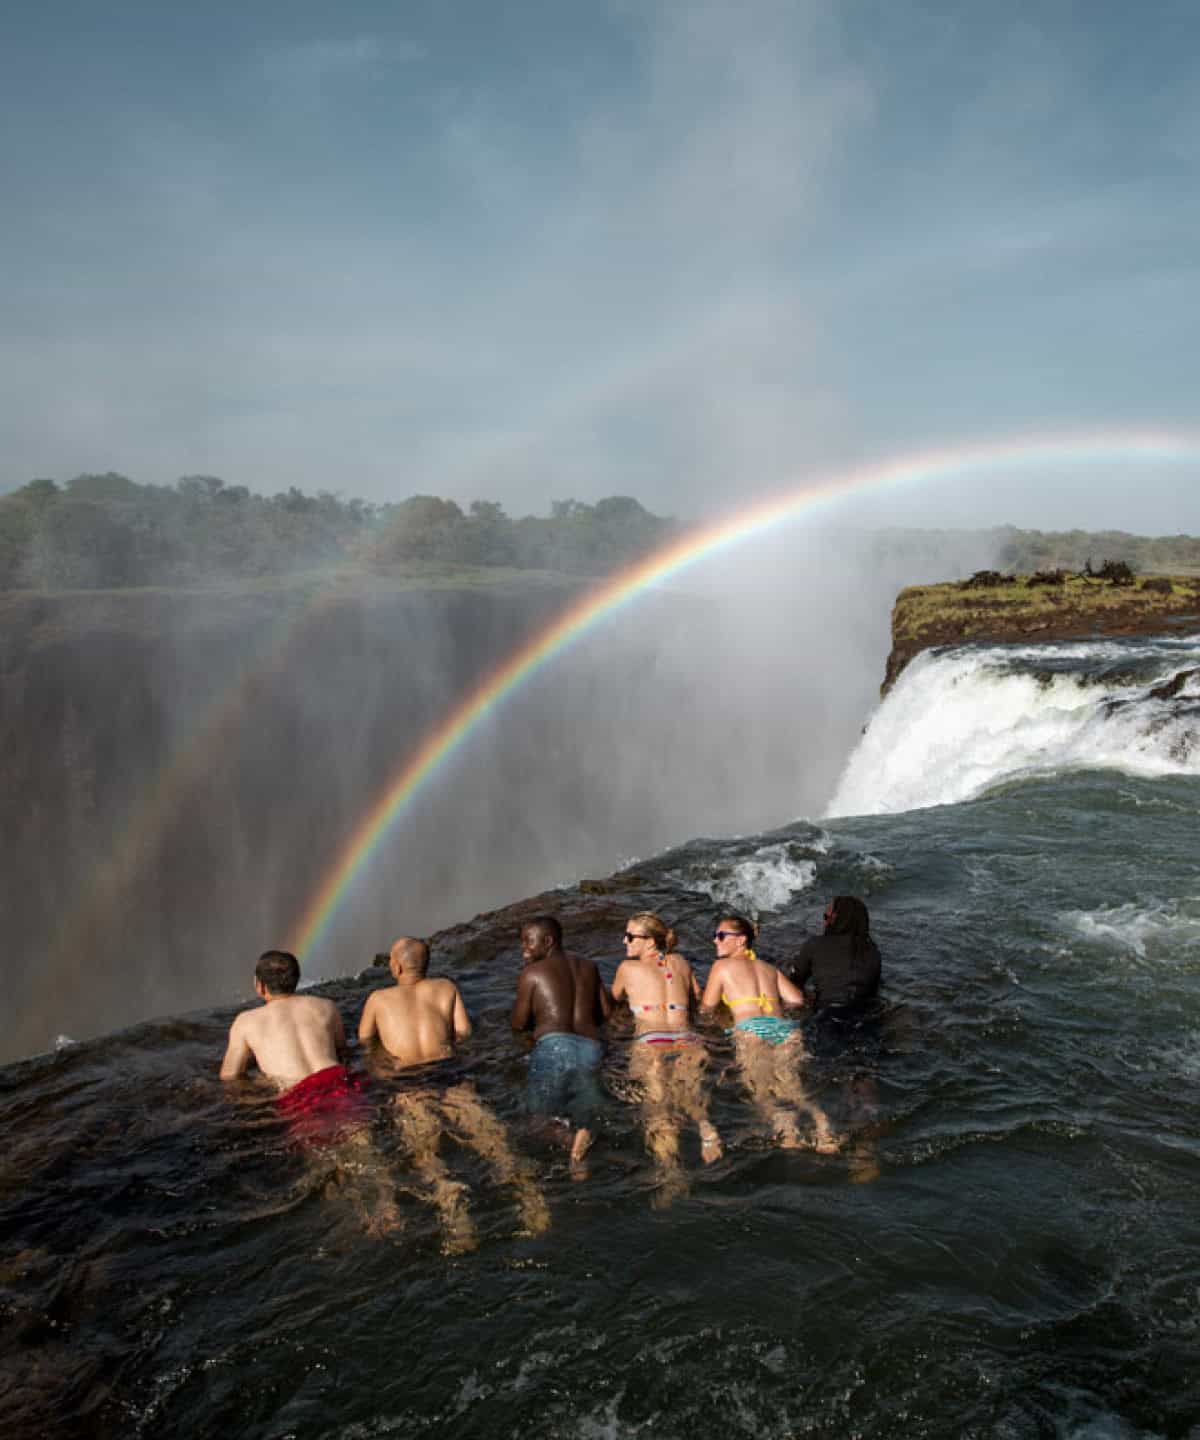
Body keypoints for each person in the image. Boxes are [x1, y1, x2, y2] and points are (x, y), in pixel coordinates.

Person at [361, 936, 547, 1249]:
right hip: (449, 1073)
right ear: (426, 964)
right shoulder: (446, 988)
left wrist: (381, 1064)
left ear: (395, 966)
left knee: (425, 1152)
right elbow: (464, 1032)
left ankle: (452, 1204)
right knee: (492, 1139)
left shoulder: (378, 999)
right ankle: (531, 1200)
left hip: (407, 1082)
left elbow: (365, 1041)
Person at [701, 913, 837, 1152]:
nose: (715, 940)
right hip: (785, 1030)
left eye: (721, 936)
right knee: (793, 1088)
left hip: (751, 1030)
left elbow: (706, 1008)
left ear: (741, 940)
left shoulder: (721, 967)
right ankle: (821, 1123)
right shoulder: (768, 968)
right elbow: (796, 1000)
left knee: (761, 1092)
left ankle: (786, 1128)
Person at [611, 911, 722, 1182]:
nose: (624, 941)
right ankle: (706, 1129)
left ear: (650, 942)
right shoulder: (682, 962)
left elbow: (611, 1001)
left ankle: (670, 1173)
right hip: (688, 1039)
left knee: (658, 1108)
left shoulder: (627, 968)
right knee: (691, 1097)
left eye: (630, 936)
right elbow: (697, 999)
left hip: (652, 1040)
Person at [220, 949, 366, 1143]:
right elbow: (342, 1050)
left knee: (321, 1152)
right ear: (296, 979)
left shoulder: (245, 1022)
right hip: (337, 1079)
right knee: (360, 1137)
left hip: (298, 1094)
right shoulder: (326, 1006)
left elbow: (229, 1076)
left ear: (260, 986)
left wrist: (259, 1083)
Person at [511, 916, 610, 1172]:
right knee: (586, 1111)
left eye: (528, 943)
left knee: (535, 1121)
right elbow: (607, 1013)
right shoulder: (590, 966)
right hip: (591, 1048)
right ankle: (580, 1156)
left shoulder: (532, 973)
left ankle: (568, 1141)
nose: (523, 950)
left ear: (548, 941)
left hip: (554, 1047)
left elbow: (519, 1024)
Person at [783, 895, 881, 1016]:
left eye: (826, 917)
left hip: (827, 1016)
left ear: (834, 919)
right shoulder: (873, 951)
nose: (823, 922)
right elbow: (872, 994)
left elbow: (794, 983)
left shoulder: (815, 944)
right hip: (863, 1016)